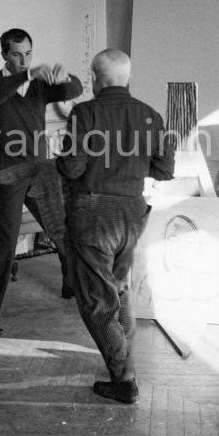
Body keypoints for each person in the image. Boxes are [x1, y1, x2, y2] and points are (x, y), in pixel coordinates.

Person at [56, 48, 174, 404]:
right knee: (118, 289)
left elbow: (72, 168)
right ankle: (124, 365)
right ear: (128, 78)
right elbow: (165, 170)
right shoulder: (151, 116)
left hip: (94, 213)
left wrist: (63, 158)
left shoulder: (85, 112)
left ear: (94, 77)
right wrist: (132, 162)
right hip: (133, 214)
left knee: (95, 299)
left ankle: (124, 379)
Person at [0, 28, 82, 336]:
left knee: (63, 229)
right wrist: (28, 72)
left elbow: (74, 90)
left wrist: (62, 76)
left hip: (40, 168)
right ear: (4, 54)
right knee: (4, 242)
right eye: (17, 54)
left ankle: (72, 284)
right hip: (7, 171)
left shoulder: (39, 86)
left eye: (28, 53)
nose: (23, 59)